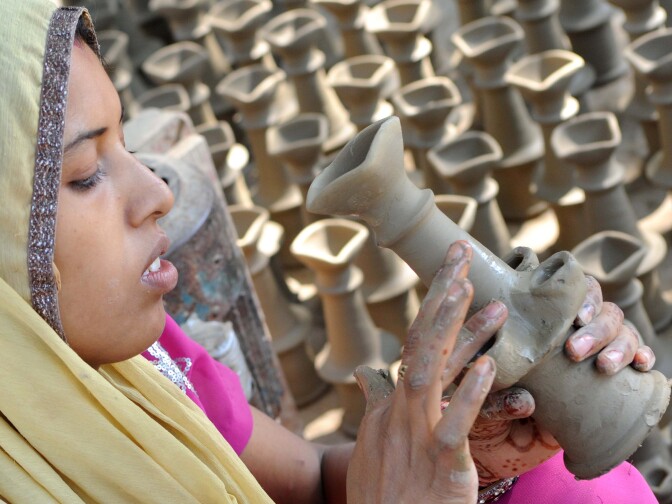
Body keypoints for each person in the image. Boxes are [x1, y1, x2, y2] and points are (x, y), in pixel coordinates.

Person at [0, 1, 658, 502]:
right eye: (86, 172)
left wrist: (476, 458)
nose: (156, 192)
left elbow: (312, 481)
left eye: (128, 147)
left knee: (569, 486)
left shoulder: (149, 358)